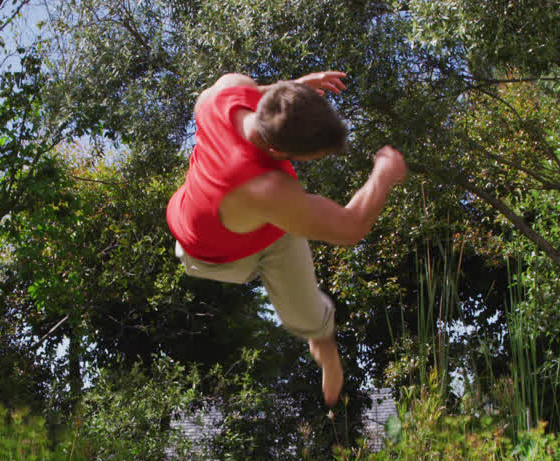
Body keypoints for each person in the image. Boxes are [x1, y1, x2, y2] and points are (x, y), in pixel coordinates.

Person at [166, 70, 408, 407]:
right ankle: (320, 335)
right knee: (289, 238)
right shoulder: (266, 188)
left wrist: (297, 88)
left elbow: (221, 99)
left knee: (290, 243)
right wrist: (384, 173)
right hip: (212, 257)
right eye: (312, 157)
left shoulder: (227, 92)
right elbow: (351, 226)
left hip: (203, 212)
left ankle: (321, 341)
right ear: (278, 150)